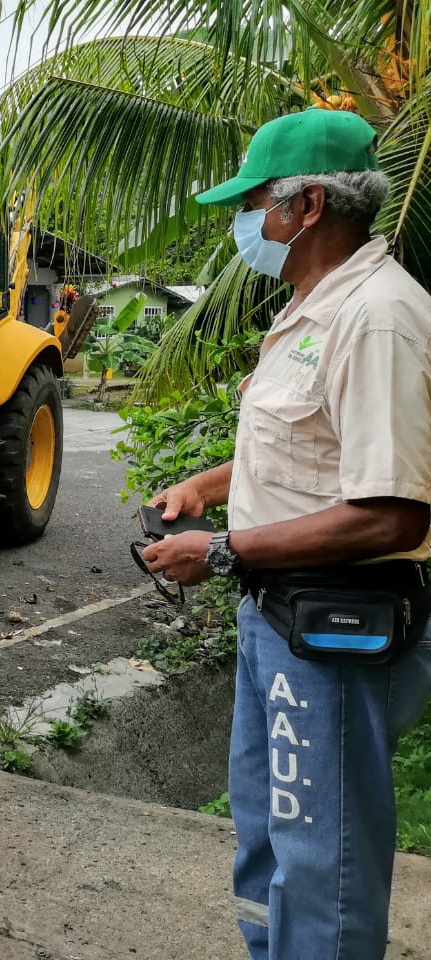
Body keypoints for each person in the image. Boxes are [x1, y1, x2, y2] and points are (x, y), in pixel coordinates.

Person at [141, 108, 431, 960]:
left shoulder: (378, 318)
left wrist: (223, 549)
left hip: (338, 630)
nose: (246, 224)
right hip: (278, 620)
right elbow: (317, 450)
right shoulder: (315, 305)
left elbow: (394, 511)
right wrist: (207, 485)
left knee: (323, 863)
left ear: (305, 207)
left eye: (254, 203)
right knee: (268, 832)